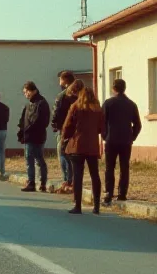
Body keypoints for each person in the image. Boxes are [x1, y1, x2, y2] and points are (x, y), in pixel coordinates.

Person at [62, 83, 105, 215]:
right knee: (94, 174)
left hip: (77, 145)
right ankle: (97, 206)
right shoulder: (98, 109)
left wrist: (65, 138)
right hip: (92, 145)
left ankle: (78, 205)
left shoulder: (76, 107)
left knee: (78, 175)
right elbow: (101, 128)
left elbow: (68, 125)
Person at [102, 78, 141, 206]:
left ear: (114, 89)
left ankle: (108, 193)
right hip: (125, 140)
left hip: (111, 139)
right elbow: (138, 124)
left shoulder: (108, 103)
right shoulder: (131, 104)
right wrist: (132, 136)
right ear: (124, 88)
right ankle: (122, 194)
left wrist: (104, 136)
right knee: (124, 167)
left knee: (109, 167)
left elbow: (102, 122)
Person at [18, 82, 50, 192]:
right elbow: (23, 120)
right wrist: (21, 131)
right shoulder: (28, 105)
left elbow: (41, 121)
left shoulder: (41, 103)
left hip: (37, 135)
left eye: (27, 91)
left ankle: (41, 182)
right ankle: (32, 182)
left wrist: (28, 130)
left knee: (37, 159)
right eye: (24, 92)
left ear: (34, 90)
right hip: (28, 136)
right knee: (29, 159)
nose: (26, 94)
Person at [51, 71, 78, 194]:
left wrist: (54, 125)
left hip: (64, 128)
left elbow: (56, 112)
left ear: (65, 81)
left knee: (62, 153)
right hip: (77, 129)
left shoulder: (62, 96)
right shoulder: (79, 95)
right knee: (72, 155)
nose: (59, 83)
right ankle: (71, 181)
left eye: (60, 80)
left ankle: (67, 180)